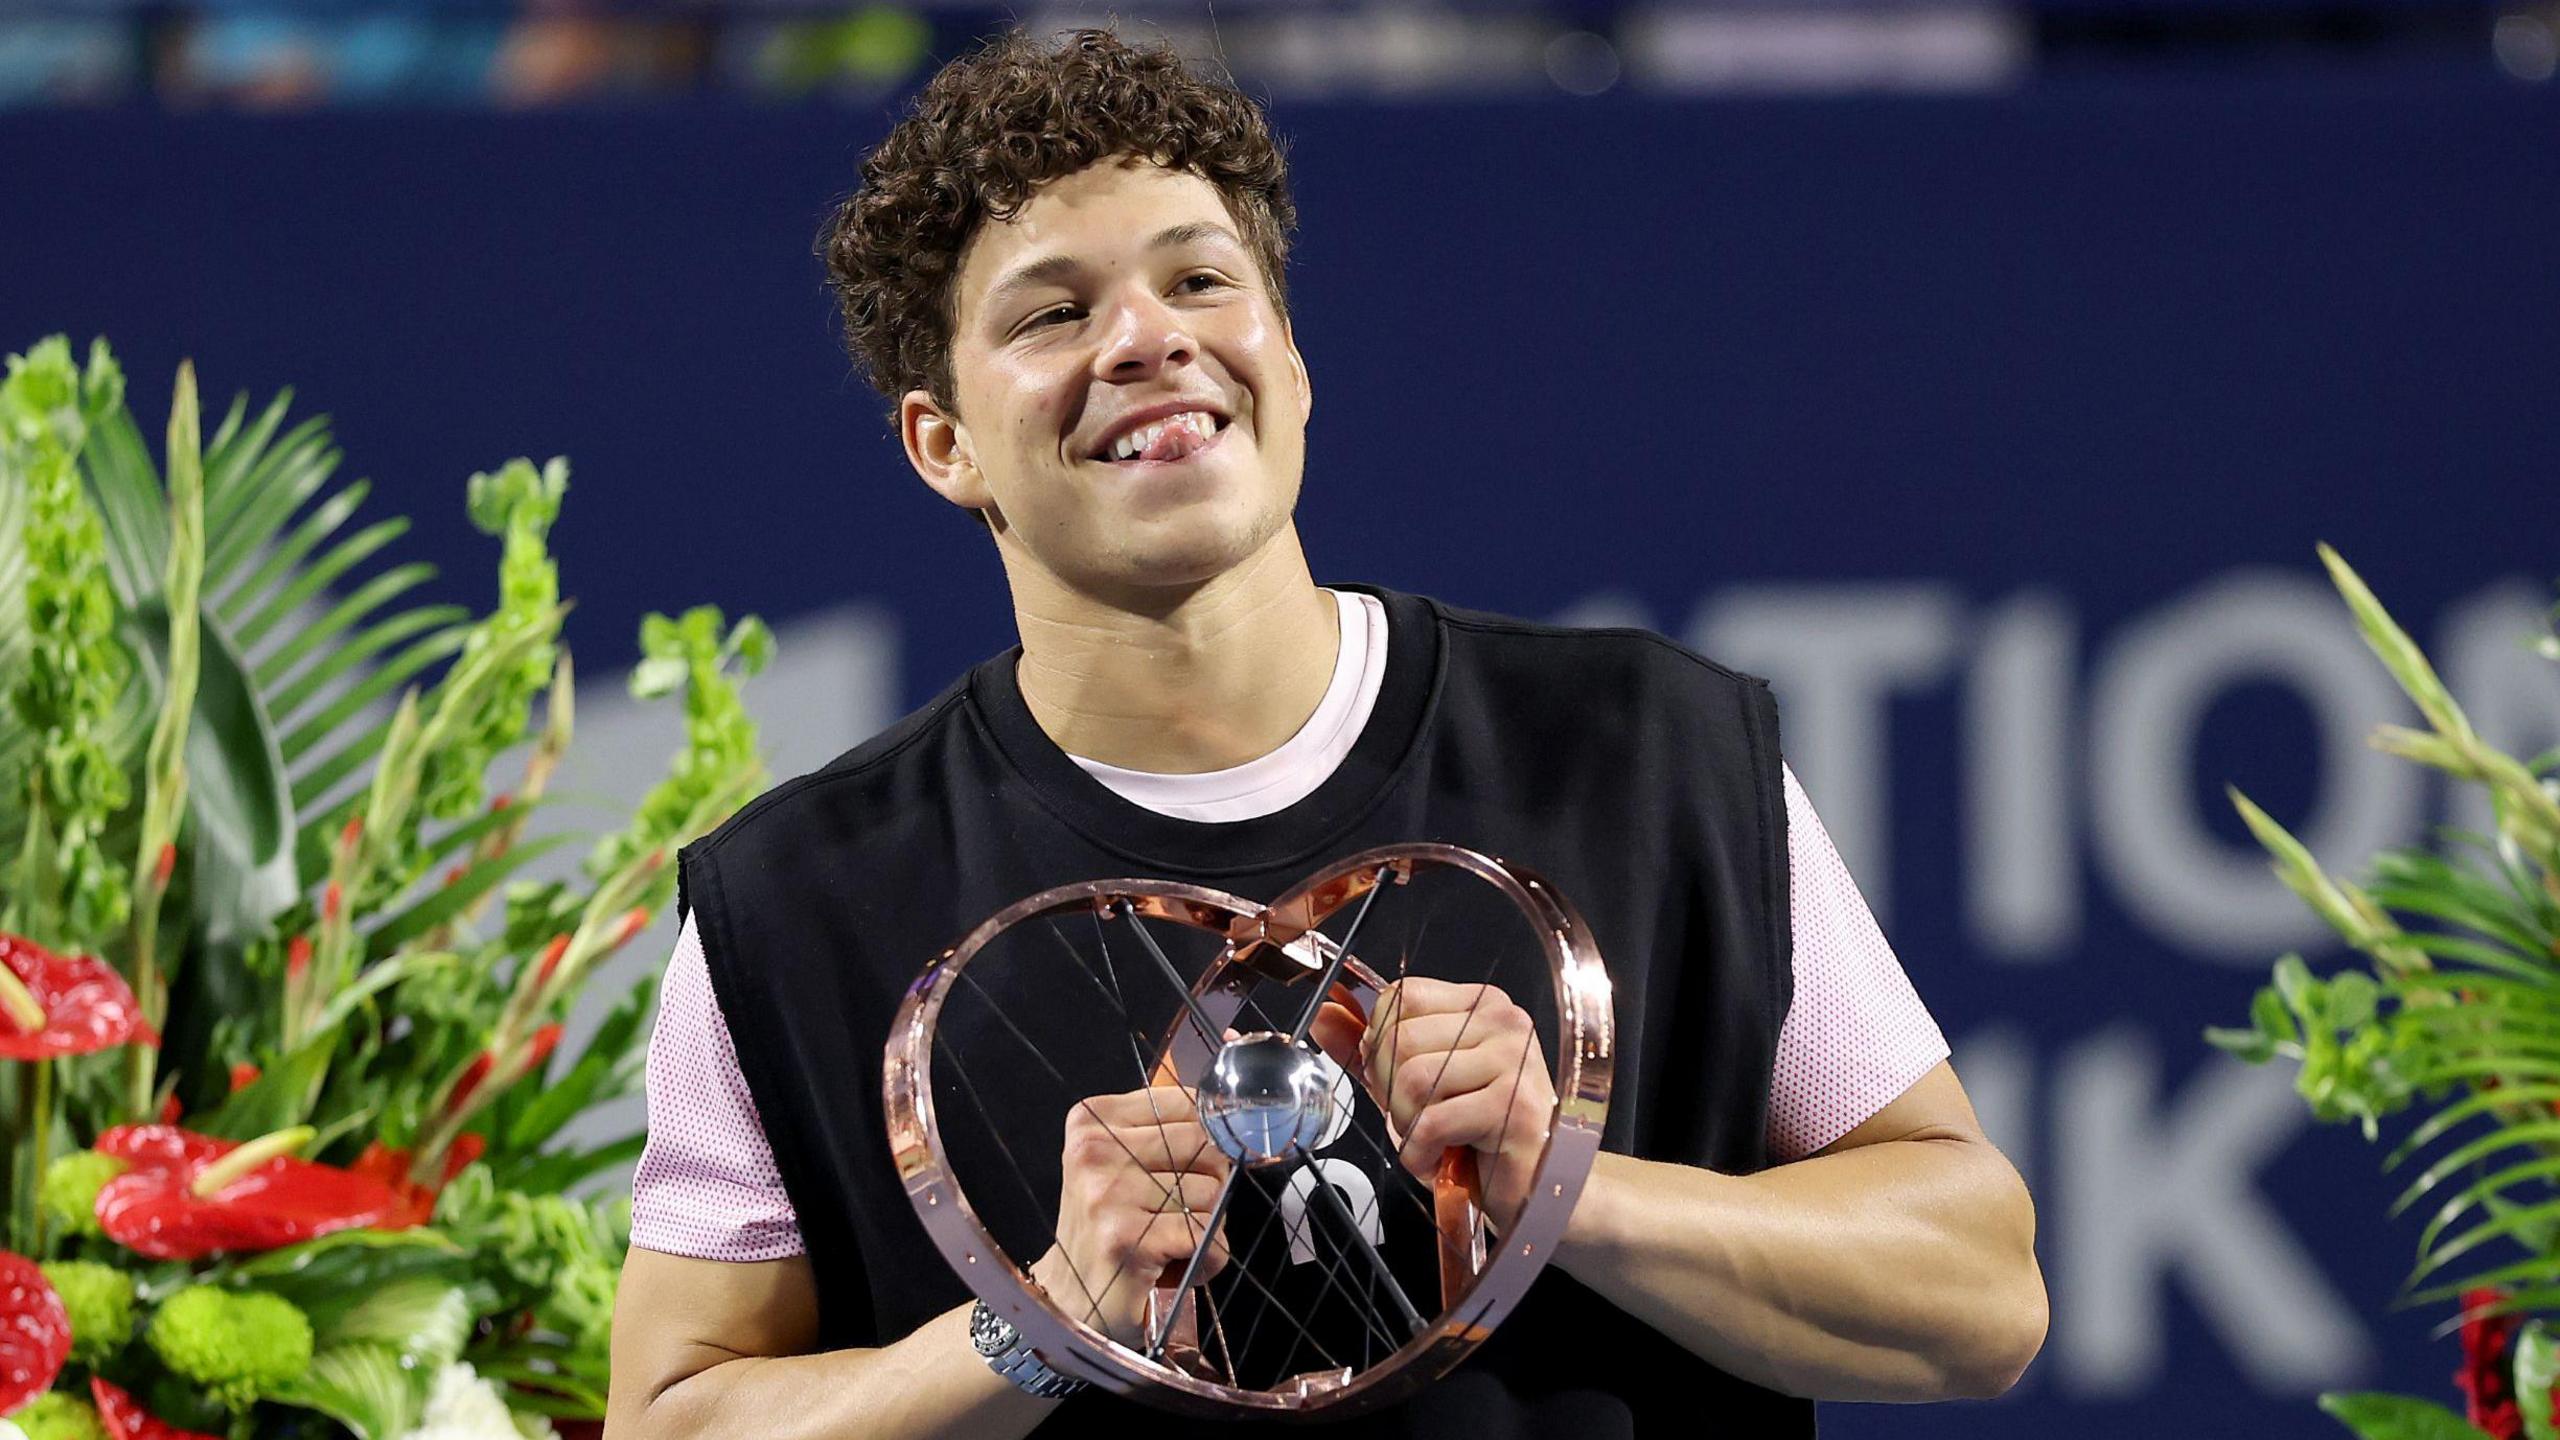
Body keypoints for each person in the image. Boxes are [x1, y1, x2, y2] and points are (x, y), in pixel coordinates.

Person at [601, 27, 2046, 1440]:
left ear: (1287, 361)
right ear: (945, 442)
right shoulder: (790, 906)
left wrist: (1571, 1189)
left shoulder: (1654, 751)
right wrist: (1035, 1323)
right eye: (1053, 313)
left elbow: (1982, 1295)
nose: (1147, 338)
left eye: (1200, 280)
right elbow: (670, 1415)